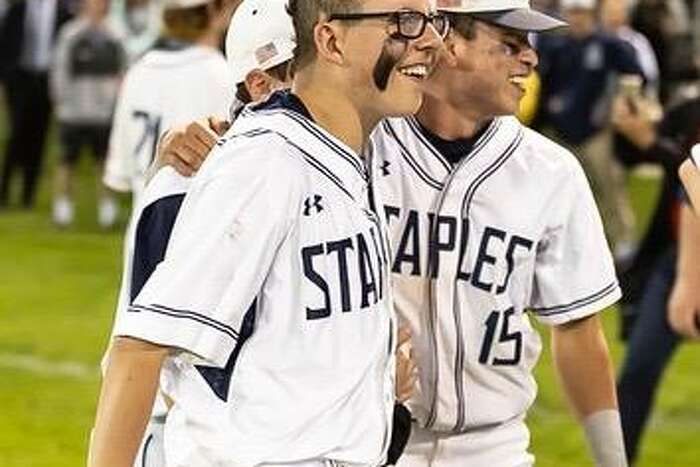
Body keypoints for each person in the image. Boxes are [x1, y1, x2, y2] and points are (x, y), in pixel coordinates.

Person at [161, 1, 628, 466]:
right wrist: (199, 135)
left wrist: (612, 461)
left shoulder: (551, 172)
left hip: (494, 446)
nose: (531, 57)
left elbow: (578, 325)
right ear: (447, 40)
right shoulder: (352, 139)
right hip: (367, 439)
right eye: (509, 42)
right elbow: (270, 125)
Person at [89, 1, 446, 467]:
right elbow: (138, 349)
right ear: (330, 41)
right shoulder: (265, 162)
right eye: (404, 21)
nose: (434, 41)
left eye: (432, 21)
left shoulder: (350, 149)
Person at [99, 0, 294, 465]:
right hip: (190, 424)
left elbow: (123, 173)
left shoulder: (144, 68)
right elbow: (144, 352)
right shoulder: (222, 154)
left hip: (156, 229)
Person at [613, 85, 700, 464]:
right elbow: (688, 172)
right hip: (675, 258)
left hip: (681, 265)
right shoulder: (689, 110)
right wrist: (631, 130)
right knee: (637, 372)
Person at [536, 0, 643, 262]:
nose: (577, 18)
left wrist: (617, 107)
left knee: (608, 188)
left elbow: (635, 77)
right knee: (559, 193)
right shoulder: (555, 45)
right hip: (559, 132)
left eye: (581, 12)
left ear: (591, 14)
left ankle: (621, 246)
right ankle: (565, 250)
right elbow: (541, 84)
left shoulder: (609, 45)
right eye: (572, 12)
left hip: (596, 131)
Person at [102, 0, 234, 207]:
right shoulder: (223, 76)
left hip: (140, 229)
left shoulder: (139, 71)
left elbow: (121, 173)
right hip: (197, 228)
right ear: (212, 10)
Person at [50, 0, 127, 228]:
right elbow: (59, 68)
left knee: (103, 162)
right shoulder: (70, 33)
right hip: (73, 111)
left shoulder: (116, 33)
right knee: (66, 162)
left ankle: (107, 211)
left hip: (104, 112)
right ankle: (62, 209)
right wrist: (60, 101)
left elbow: (124, 69)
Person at [0, 0, 74, 208]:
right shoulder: (19, 8)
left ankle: (27, 195)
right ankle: (4, 191)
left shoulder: (62, 12)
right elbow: (4, 44)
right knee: (16, 135)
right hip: (20, 79)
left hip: (46, 81)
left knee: (38, 138)